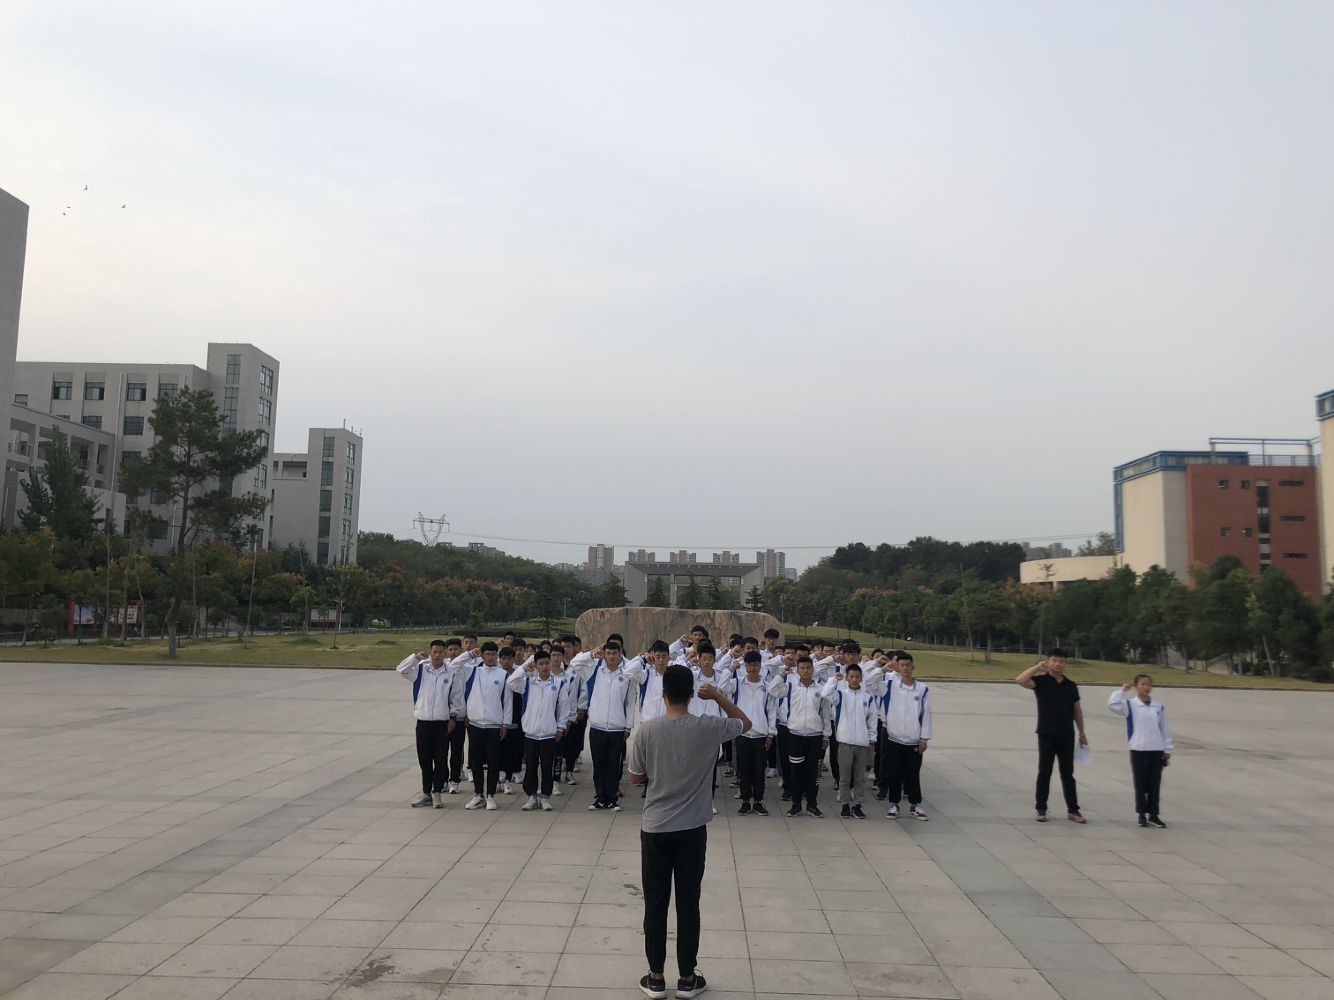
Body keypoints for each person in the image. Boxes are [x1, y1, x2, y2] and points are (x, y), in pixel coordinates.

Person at [628, 664, 751, 1000]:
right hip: (692, 828)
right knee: (688, 901)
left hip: (656, 827)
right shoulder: (708, 727)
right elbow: (745, 723)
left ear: (664, 694)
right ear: (692, 694)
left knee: (655, 901)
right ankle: (686, 977)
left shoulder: (648, 730)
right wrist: (719, 697)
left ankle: (655, 977)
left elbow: (635, 777)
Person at [571, 641, 646, 811]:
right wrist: (591, 654)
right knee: (599, 765)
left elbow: (630, 702)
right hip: (597, 726)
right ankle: (600, 798)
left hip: (617, 727)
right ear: (604, 654)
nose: (611, 657)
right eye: (608, 653)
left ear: (620, 654)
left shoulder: (626, 674)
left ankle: (612, 799)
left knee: (613, 765)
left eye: (615, 653)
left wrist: (628, 726)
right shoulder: (594, 670)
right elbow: (575, 663)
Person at [1016, 649, 1088, 823]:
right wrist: (1037, 667)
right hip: (1046, 733)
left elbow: (1077, 711)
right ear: (1048, 662)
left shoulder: (1071, 685)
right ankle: (1041, 808)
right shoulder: (1041, 682)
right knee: (1045, 771)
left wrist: (1082, 733)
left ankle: (1073, 810)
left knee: (1068, 773)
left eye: (1061, 661)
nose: (1058, 664)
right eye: (1054, 660)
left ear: (1065, 664)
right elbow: (1020, 680)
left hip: (1067, 734)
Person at [396, 639, 461, 808]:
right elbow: (401, 669)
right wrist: (416, 658)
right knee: (424, 760)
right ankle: (426, 792)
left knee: (440, 759)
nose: (437, 655)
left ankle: (437, 793)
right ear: (430, 652)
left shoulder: (451, 673)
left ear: (445, 653)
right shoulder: (421, 670)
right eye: (434, 652)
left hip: (442, 723)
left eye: (440, 652)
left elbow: (456, 698)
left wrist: (453, 717)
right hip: (423, 722)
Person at [506, 649, 567, 811]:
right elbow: (510, 682)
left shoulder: (559, 684)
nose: (545, 666)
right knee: (531, 767)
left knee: (547, 767)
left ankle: (545, 796)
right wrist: (524, 667)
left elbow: (563, 708)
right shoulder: (527, 683)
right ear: (536, 666)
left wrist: (560, 727)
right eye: (541, 664)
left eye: (547, 663)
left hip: (548, 733)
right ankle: (531, 796)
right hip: (531, 733)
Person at [1108, 675, 1173, 828]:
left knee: (1154, 784)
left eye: (1149, 685)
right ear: (1136, 686)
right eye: (1143, 684)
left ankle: (1154, 815)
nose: (1146, 687)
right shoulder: (1130, 704)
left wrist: (1167, 748)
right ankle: (1141, 814)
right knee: (1140, 783)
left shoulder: (1157, 706)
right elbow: (1112, 704)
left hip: (1156, 749)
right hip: (1138, 748)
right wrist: (1122, 691)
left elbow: (1164, 728)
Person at [770, 653, 829, 817]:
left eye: (808, 668)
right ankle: (796, 804)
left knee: (813, 773)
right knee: (795, 772)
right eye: (802, 668)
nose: (805, 671)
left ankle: (812, 804)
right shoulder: (790, 687)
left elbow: (825, 714)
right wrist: (781, 674)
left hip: (815, 736)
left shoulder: (821, 690)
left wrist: (826, 736)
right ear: (797, 670)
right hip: (795, 735)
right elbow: (772, 690)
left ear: (813, 669)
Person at [457, 641, 511, 811]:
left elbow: (507, 702)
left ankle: (491, 796)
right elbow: (454, 665)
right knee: (476, 761)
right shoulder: (473, 671)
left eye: (493, 654)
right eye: (487, 654)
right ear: (482, 655)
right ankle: (478, 794)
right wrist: (469, 654)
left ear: (497, 656)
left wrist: (505, 724)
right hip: (475, 724)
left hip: (494, 725)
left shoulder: (503, 675)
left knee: (494, 761)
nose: (490, 657)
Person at [877, 653, 931, 820]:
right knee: (893, 772)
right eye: (902, 665)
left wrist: (924, 738)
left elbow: (926, 714)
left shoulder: (922, 689)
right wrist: (883, 669)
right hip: (894, 738)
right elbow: (869, 682)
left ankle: (915, 805)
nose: (905, 668)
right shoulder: (889, 685)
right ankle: (894, 804)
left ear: (913, 666)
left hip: (913, 740)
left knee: (912, 774)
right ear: (897, 667)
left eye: (908, 665)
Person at [822, 662, 876, 819]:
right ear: (846, 678)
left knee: (860, 777)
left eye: (857, 677)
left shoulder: (868, 698)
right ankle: (845, 804)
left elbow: (872, 721)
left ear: (861, 678)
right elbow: (825, 693)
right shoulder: (840, 695)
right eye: (851, 677)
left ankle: (857, 805)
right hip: (845, 742)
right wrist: (834, 679)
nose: (854, 679)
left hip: (862, 743)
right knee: (844, 776)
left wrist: (872, 741)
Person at [730, 651, 776, 816]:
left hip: (760, 735)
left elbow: (772, 711)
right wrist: (731, 667)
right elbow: (721, 686)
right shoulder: (737, 683)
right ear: (745, 666)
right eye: (749, 665)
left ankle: (757, 801)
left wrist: (771, 734)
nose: (752, 668)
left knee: (759, 770)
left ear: (760, 665)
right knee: (743, 769)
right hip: (742, 733)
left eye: (755, 665)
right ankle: (744, 801)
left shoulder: (767, 686)